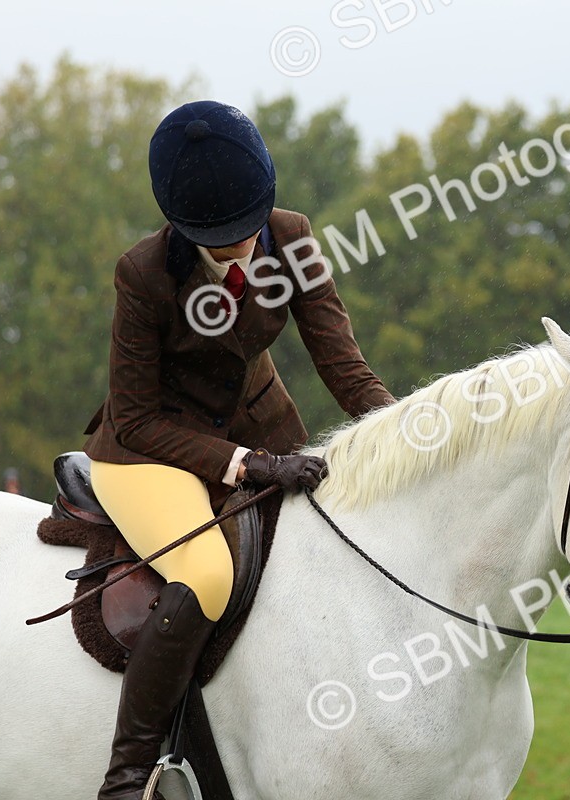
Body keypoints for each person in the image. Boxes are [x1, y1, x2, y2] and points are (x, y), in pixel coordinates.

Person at [81, 101, 396, 800]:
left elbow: (343, 367)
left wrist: (408, 433)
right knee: (210, 575)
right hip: (147, 452)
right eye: (217, 241)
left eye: (245, 232)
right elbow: (134, 417)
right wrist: (242, 465)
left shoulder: (292, 240)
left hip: (263, 429)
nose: (237, 250)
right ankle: (129, 775)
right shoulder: (143, 274)